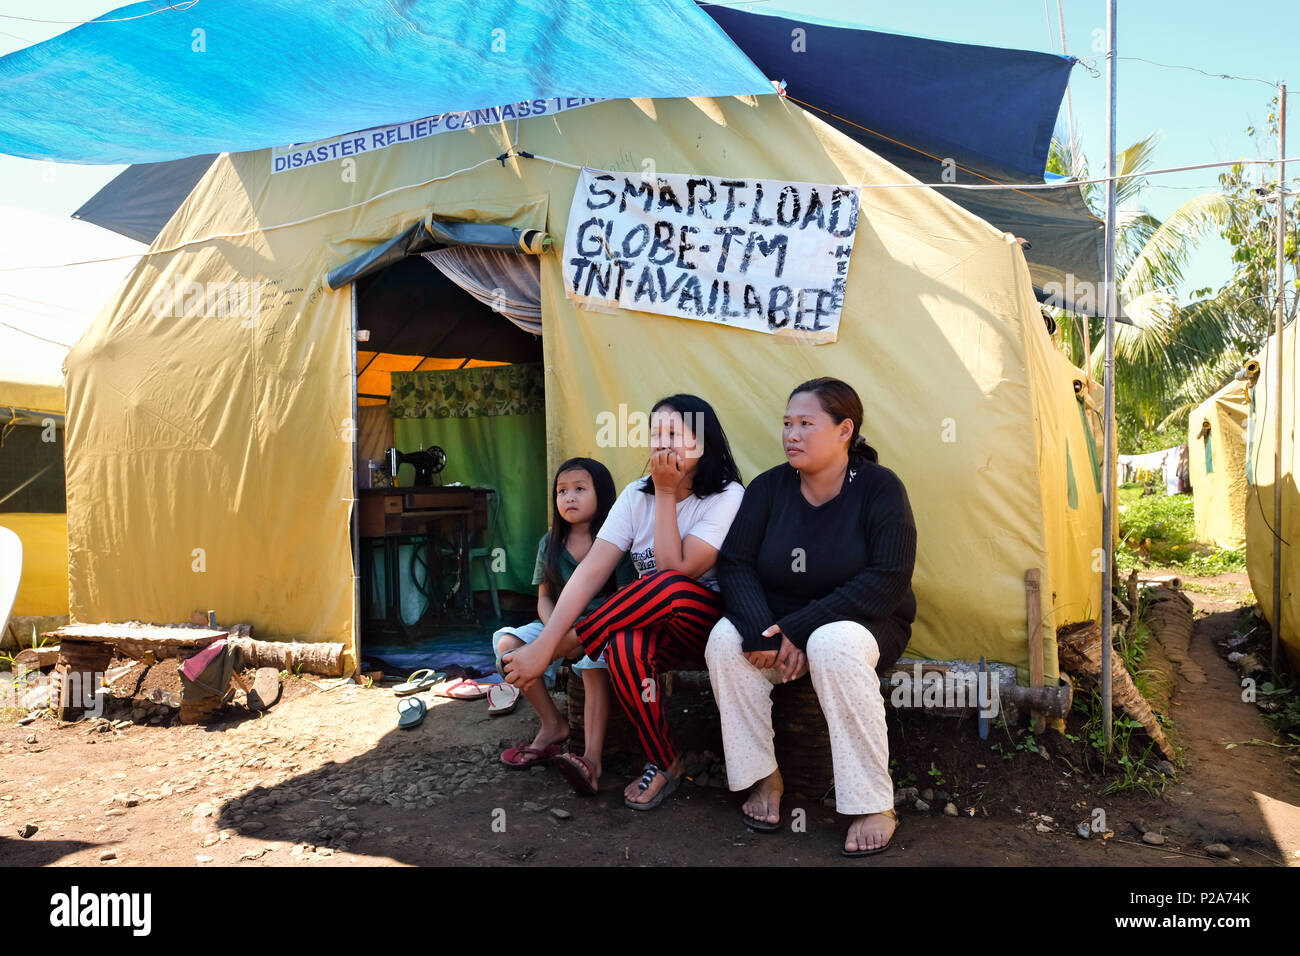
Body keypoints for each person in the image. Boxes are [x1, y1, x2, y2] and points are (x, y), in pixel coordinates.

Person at [705, 377, 917, 857]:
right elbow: (735, 563)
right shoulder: (768, 488)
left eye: (806, 423)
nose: (791, 435)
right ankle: (763, 775)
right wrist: (764, 630)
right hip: (779, 618)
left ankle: (872, 804)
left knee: (833, 644)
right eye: (787, 424)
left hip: (867, 619)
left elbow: (887, 578)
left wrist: (801, 628)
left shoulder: (880, 489)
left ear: (845, 430)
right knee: (724, 640)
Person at [503, 394, 744, 809]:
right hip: (643, 621)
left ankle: (561, 646)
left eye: (672, 434)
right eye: (654, 435)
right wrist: (657, 492)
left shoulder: (727, 496)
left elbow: (675, 569)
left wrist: (666, 494)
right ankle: (663, 761)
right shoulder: (635, 494)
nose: (659, 444)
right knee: (623, 648)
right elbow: (591, 571)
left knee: (666, 585)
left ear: (703, 444)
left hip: (699, 623)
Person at [493, 458, 635, 793]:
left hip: (601, 629)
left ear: (603, 496)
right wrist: (555, 629)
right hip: (557, 624)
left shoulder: (615, 542)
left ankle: (590, 759)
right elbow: (543, 597)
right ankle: (552, 724)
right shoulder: (549, 543)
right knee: (507, 645)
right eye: (561, 491)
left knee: (591, 664)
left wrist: (576, 632)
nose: (568, 497)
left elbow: (628, 596)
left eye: (580, 489)